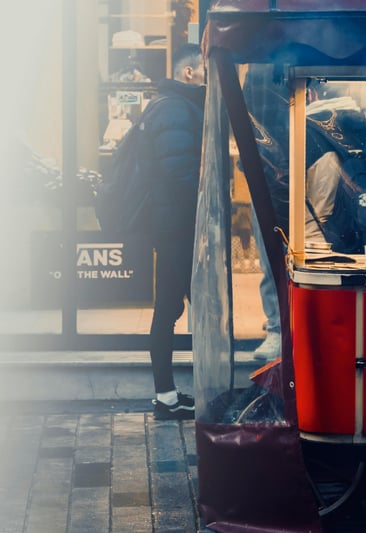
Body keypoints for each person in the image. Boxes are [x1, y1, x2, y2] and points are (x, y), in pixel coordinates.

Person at [245, 73, 366, 360]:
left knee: (285, 273)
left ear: (311, 94)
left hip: (314, 240)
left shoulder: (303, 131)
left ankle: (282, 332)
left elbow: (284, 189)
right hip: (361, 238)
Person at [147, 43, 206, 420]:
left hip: (175, 224)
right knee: (169, 307)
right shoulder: (175, 108)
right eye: (204, 69)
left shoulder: (178, 105)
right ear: (190, 73)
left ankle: (175, 392)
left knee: (184, 304)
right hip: (175, 226)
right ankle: (165, 396)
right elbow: (179, 172)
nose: (208, 76)